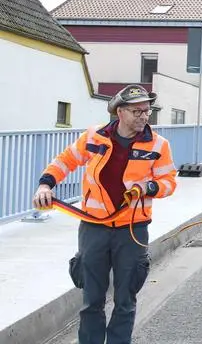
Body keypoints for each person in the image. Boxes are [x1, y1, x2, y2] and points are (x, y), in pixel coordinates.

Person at [32, 84, 178, 344]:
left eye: (147, 111)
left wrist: (150, 186)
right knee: (91, 301)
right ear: (119, 112)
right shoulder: (94, 137)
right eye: (137, 111)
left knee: (125, 300)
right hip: (94, 228)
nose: (144, 116)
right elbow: (66, 161)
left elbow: (169, 181)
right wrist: (46, 184)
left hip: (132, 230)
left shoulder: (158, 144)